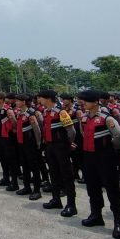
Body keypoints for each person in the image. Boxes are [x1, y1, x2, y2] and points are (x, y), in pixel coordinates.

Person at [78, 89, 120, 239]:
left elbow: (119, 137)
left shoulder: (107, 118)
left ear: (95, 102)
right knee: (92, 188)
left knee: (112, 190)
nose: (82, 103)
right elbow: (82, 133)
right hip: (88, 157)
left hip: (105, 158)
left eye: (85, 101)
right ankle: (96, 215)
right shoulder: (85, 118)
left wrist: (108, 149)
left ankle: (119, 223)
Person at [38, 89, 78, 217]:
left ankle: (71, 205)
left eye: (41, 98)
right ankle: (56, 199)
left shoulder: (61, 112)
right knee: (53, 173)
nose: (39, 100)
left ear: (48, 99)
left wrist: (67, 144)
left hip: (60, 147)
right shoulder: (46, 112)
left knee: (67, 175)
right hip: (50, 147)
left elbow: (71, 131)